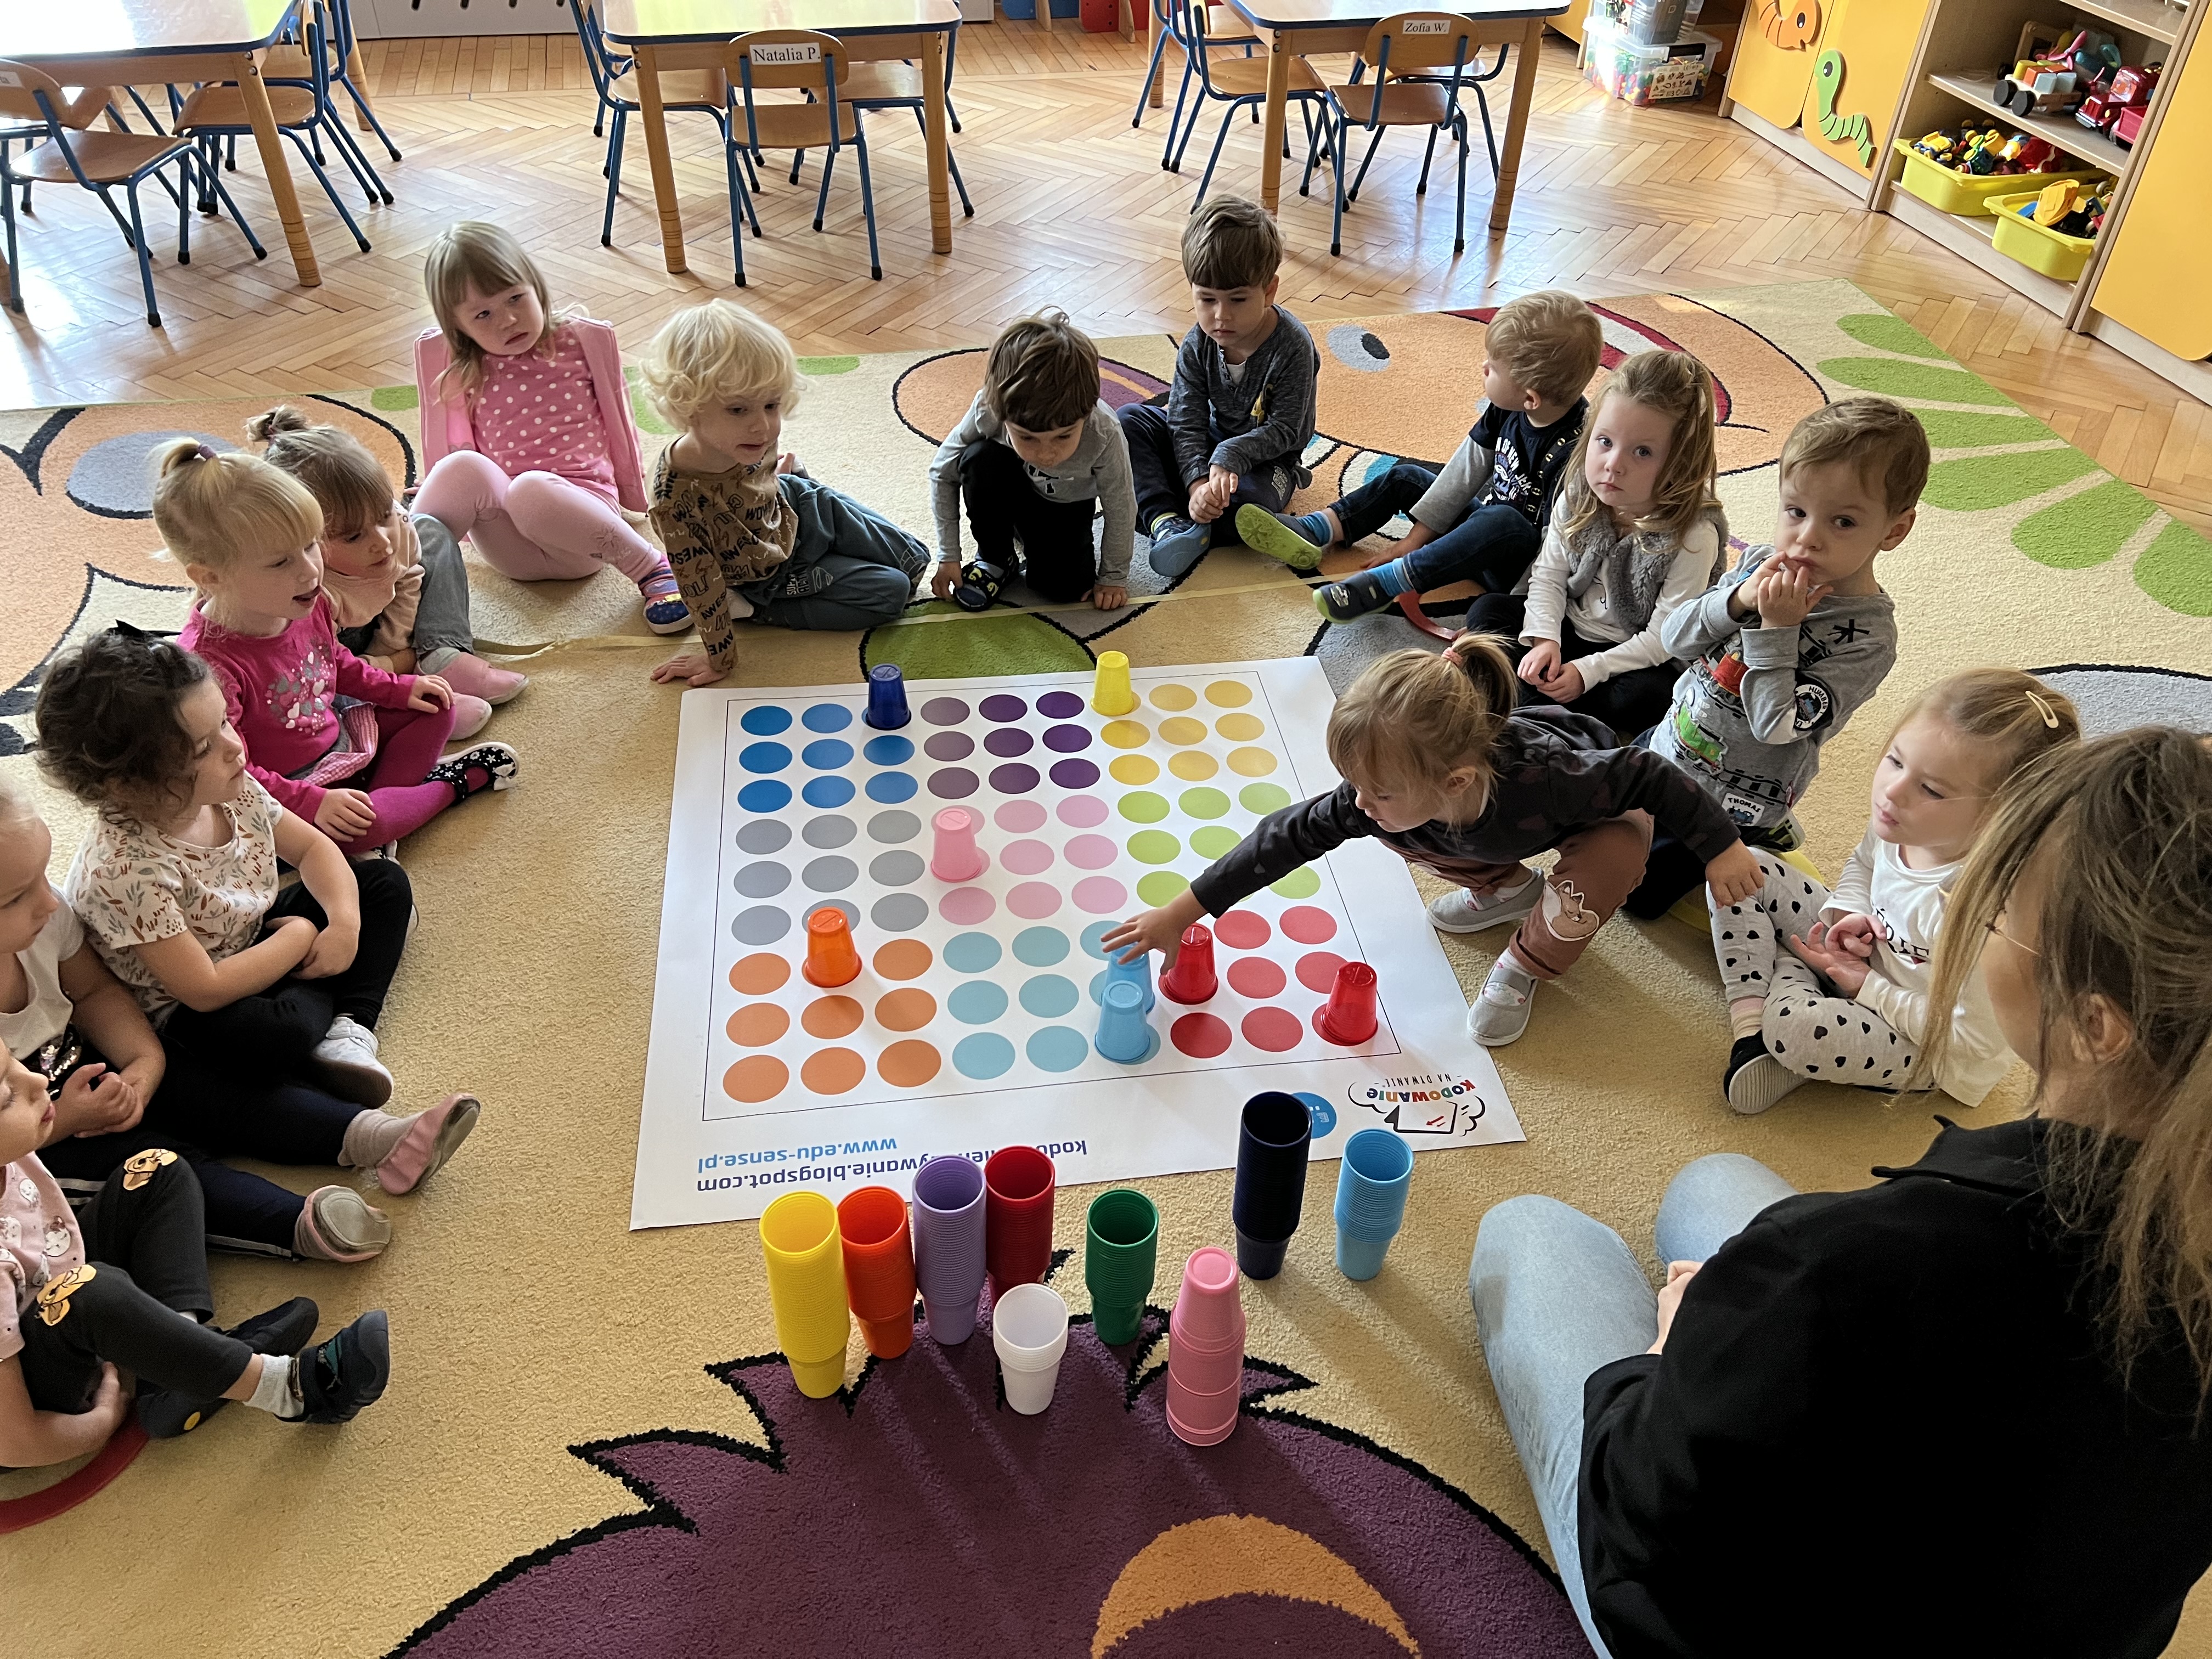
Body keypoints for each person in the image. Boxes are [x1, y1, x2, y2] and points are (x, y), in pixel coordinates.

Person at [1470, 726, 2212, 1658]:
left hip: (1740, 1621)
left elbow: (1642, 1508)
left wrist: (1663, 1353)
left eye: (1996, 914)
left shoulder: (1843, 1261)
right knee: (1714, 1182)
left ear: (2096, 1025)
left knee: (1531, 1232)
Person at [1102, 634, 1761, 1047]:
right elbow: (1284, 837)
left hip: (1599, 814)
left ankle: (1524, 965)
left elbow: (1649, 772)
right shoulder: (1386, 797)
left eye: (1378, 788)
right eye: (1355, 784)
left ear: (1456, 780)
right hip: (1480, 827)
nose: (1360, 799)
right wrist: (1182, 912)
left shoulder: (1552, 780)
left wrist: (1722, 845)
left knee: (1609, 865)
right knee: (1388, 826)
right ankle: (1503, 888)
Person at [36, 629, 481, 1227]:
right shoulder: (123, 868)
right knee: (263, 1043)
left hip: (256, 937)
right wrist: (299, 938)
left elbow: (316, 850)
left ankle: (347, 1031)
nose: (234, 746)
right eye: (203, 747)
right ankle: (368, 1125)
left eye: (225, 721)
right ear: (129, 784)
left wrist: (344, 924)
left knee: (381, 884)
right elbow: (205, 989)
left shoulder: (233, 787)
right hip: (196, 1014)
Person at [0, 780, 389, 1263]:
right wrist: (67, 1119)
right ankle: (296, 1224)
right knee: (160, 1169)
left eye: (43, 876)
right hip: (35, 1143)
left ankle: (364, 1133)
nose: (50, 901)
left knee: (215, 1095)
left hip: (87, 1064)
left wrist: (145, 1061)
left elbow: (93, 992)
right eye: (15, 898)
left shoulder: (46, 917)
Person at [1713, 668, 2080, 1114]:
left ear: (2003, 817)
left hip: (1928, 1043)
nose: (1893, 791)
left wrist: (1867, 988)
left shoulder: (1989, 916)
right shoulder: (1899, 822)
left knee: (1797, 1028)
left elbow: (1970, 1040)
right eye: (1896, 761)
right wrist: (1847, 912)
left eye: (1931, 790)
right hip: (1864, 962)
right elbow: (1864, 864)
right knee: (1742, 869)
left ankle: (1787, 982)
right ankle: (1752, 1028)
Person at [0, 1042, 391, 1457]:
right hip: (30, 1396)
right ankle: (293, 1389)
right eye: (6, 1095)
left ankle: (177, 1371)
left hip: (48, 1282)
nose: (38, 1079)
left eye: (13, 1063)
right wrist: (104, 1421)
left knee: (156, 1169)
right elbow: (16, 1442)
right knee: (89, 1290)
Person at [1623, 396, 1928, 919]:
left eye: (1843, 522)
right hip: (1670, 745)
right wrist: (1737, 599)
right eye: (1796, 512)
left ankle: (1767, 832)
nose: (1807, 539)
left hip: (1730, 804)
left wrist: (1778, 630)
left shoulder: (1868, 640)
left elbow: (1776, 725)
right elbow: (1675, 640)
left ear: (1894, 530)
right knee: (1580, 818)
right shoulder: (1762, 564)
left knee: (1636, 897)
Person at [157, 442, 519, 859]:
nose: (311, 570)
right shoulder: (206, 669)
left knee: (436, 705)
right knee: (363, 828)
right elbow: (235, 773)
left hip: (341, 741)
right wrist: (315, 804)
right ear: (211, 577)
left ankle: (382, 809)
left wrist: (398, 689)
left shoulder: (305, 600)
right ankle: (450, 785)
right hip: (287, 791)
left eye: (311, 545)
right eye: (280, 562)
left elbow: (336, 664)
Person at [410, 221, 692, 635]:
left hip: (587, 532)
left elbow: (621, 423)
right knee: (462, 467)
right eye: (483, 314)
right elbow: (454, 452)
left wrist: (637, 491)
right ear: (459, 326)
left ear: (536, 287)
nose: (508, 320)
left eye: (516, 298)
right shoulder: (460, 364)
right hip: (511, 547)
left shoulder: (579, 342)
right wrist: (442, 492)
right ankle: (402, 577)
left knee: (531, 490)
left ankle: (651, 568)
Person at [634, 301, 929, 688]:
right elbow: (699, 586)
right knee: (892, 593)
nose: (764, 427)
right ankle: (752, 609)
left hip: (795, 508)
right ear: (686, 405)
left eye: (771, 405)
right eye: (738, 410)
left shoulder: (749, 437)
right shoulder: (674, 502)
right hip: (764, 573)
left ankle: (804, 492)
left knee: (916, 559)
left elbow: (760, 478)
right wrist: (720, 660)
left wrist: (786, 477)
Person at [1242, 289, 1601, 607]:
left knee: (1504, 521)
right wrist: (1413, 540)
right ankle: (1318, 529)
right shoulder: (1508, 406)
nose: (1483, 367)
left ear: (1531, 398)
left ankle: (1389, 583)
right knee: (1406, 477)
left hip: (1521, 570)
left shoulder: (1575, 456)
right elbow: (1461, 476)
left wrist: (1523, 610)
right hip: (1480, 535)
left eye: (1493, 368)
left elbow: (1556, 552)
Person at [1469, 348, 1725, 741]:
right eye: (1605, 441)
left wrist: (1588, 672)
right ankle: (1545, 708)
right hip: (1568, 629)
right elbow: (1548, 576)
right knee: (1488, 611)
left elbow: (1665, 638)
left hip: (1630, 657)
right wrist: (1545, 640)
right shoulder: (1579, 494)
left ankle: (1531, 707)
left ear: (1681, 462)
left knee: (1651, 697)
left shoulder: (1693, 536)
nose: (1613, 464)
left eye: (1642, 452)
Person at [249, 404, 528, 732]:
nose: (382, 542)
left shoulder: (397, 530)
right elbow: (328, 668)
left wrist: (396, 646)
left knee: (430, 530)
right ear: (308, 541)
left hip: (385, 621)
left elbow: (408, 580)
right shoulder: (308, 590)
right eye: (354, 536)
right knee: (318, 695)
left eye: (384, 516)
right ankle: (391, 710)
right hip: (345, 653)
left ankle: (442, 652)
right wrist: (389, 668)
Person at [1120, 195, 1319, 580]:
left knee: (1248, 509)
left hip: (1268, 461)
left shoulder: (1294, 346)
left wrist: (1230, 456)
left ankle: (1199, 517)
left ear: (1270, 291)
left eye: (1238, 299)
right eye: (1207, 299)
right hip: (1208, 447)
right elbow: (1184, 419)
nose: (1221, 315)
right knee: (1128, 421)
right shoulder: (1198, 343)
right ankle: (1167, 522)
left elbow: (1286, 430)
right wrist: (1198, 481)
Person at [926, 308, 1135, 614]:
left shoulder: (1104, 432)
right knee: (977, 458)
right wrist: (949, 554)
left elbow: (1122, 507)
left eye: (1063, 437)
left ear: (1088, 411)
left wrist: (1113, 577)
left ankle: (1029, 537)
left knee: (1065, 588)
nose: (1047, 454)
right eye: (1027, 438)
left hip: (1065, 505)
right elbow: (942, 471)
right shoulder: (989, 408)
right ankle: (996, 558)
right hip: (1009, 482)